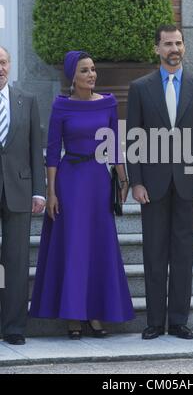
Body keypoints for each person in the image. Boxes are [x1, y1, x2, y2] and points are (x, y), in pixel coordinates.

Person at [30, 51, 134, 338]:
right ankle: (73, 316)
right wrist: (51, 192)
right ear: (72, 76)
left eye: (93, 70)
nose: (92, 75)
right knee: (74, 246)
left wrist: (123, 178)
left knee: (98, 246)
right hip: (70, 181)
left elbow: (114, 144)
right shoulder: (61, 106)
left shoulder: (109, 103)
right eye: (85, 70)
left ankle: (96, 314)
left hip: (99, 180)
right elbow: (52, 153)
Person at [126, 24, 193, 340]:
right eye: (167, 44)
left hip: (190, 184)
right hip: (152, 185)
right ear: (157, 49)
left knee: (183, 253)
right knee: (153, 253)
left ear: (184, 47)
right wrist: (135, 182)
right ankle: (154, 322)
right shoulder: (140, 88)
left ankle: (178, 320)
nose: (173, 49)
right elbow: (133, 139)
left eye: (178, 43)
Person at [0, 46, 45, 345]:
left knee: (16, 262)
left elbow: (34, 150)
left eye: (3, 62)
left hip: (18, 190)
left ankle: (14, 327)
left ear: (10, 65)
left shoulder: (26, 101)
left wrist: (39, 191)